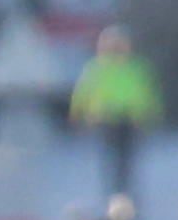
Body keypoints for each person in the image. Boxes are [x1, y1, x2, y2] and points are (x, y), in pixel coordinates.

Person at [67, 23, 161, 191]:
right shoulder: (96, 69)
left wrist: (150, 115)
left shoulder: (136, 68)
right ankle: (112, 195)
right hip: (105, 120)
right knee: (110, 161)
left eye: (120, 44)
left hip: (130, 121)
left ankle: (126, 196)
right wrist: (77, 114)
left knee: (126, 162)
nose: (116, 48)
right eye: (112, 44)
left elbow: (147, 93)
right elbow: (82, 93)